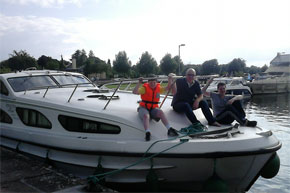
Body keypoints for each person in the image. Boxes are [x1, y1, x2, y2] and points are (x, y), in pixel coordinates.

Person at [133, 74, 178, 141]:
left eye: (154, 82)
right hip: (144, 108)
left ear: (156, 82)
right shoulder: (144, 88)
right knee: (146, 116)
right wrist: (139, 83)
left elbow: (168, 88)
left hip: (153, 108)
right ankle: (147, 132)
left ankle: (169, 128)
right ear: (148, 82)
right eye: (151, 82)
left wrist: (169, 80)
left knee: (160, 112)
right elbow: (134, 92)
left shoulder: (158, 88)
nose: (153, 84)